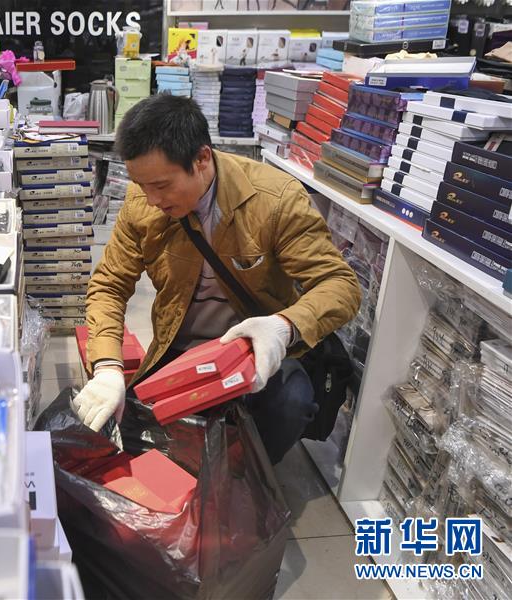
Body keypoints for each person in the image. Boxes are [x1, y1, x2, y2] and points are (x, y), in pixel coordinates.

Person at [72, 95, 361, 464]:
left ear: (202, 159)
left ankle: (241, 477)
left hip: (254, 350)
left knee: (290, 403)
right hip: (181, 350)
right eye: (141, 184)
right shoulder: (141, 203)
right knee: (127, 436)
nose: (152, 198)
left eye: (162, 185)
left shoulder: (274, 200)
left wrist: (283, 326)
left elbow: (340, 284)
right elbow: (109, 285)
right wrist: (108, 367)